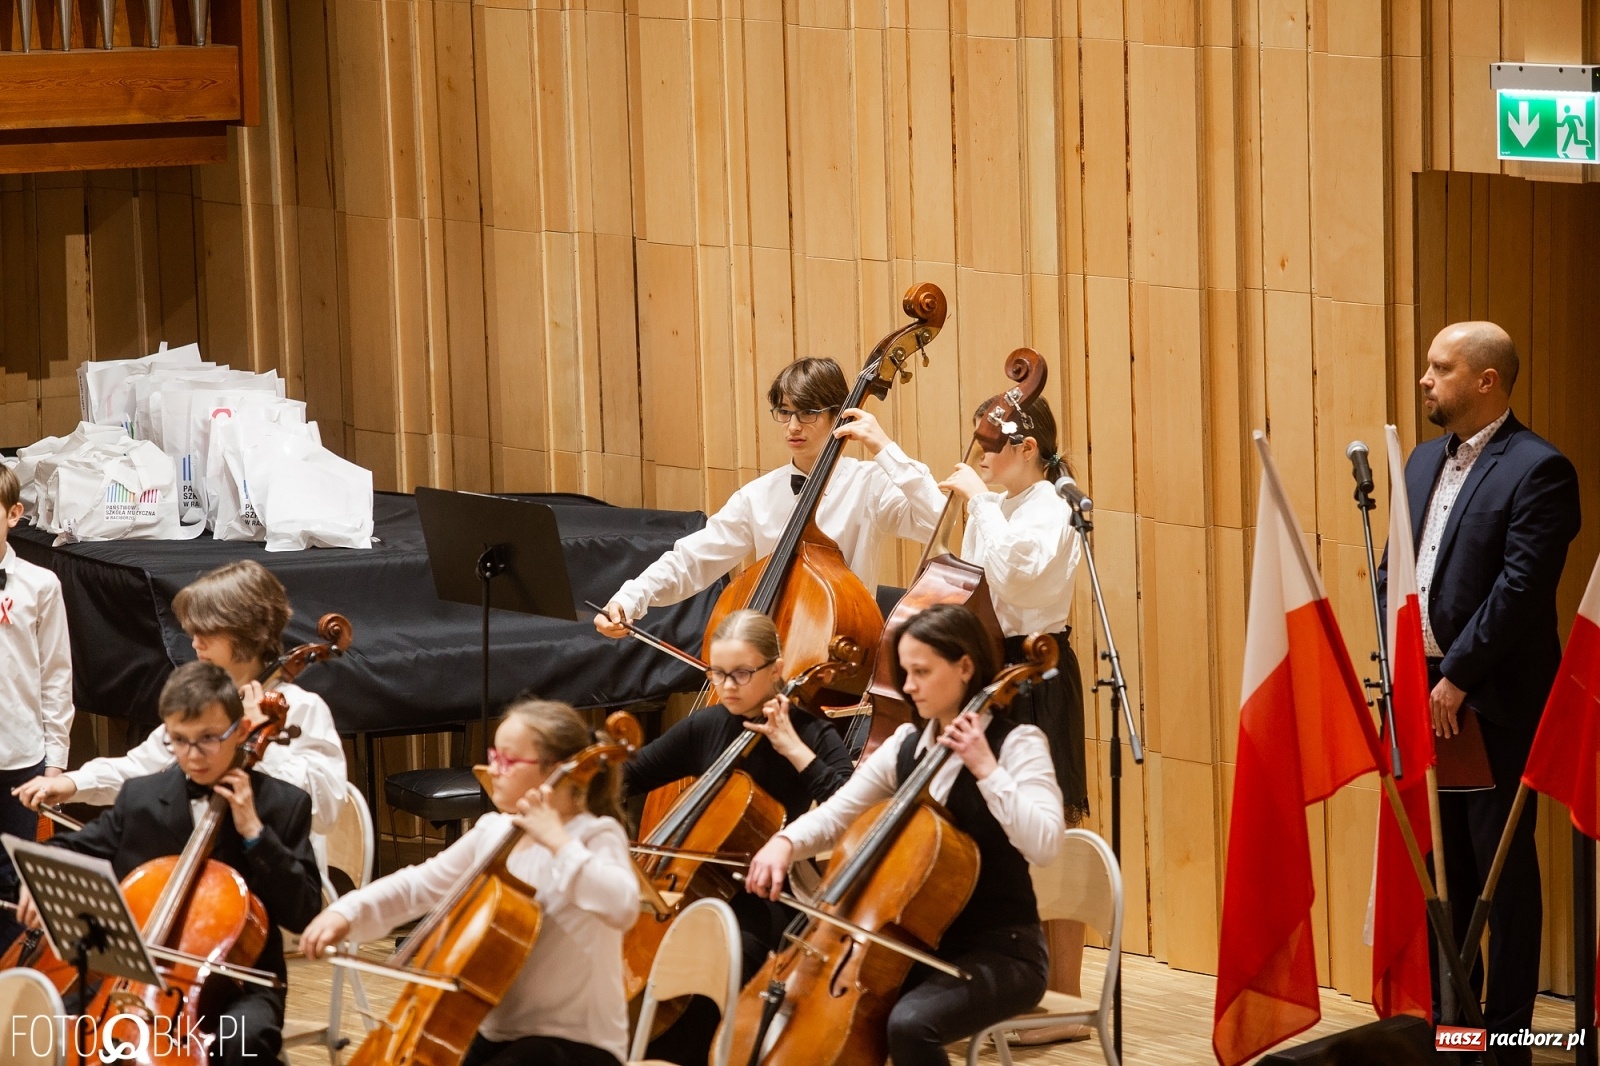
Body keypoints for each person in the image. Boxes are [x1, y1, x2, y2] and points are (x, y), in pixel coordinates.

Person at [1380, 320, 1581, 1062]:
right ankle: (1455, 1030)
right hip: (1423, 694)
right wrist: (1407, 667)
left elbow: (1521, 589)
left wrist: (1458, 675)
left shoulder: (1540, 469)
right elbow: (1395, 569)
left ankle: (1507, 1042)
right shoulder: (1419, 461)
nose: (1425, 379)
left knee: (1503, 876)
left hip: (1490, 701)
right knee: (1446, 876)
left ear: (1486, 380)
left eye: (1441, 368)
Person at [744, 604, 1064, 1066]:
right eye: (905, 673)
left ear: (965, 667)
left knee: (911, 1025)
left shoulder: (1018, 744)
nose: (909, 686)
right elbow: (838, 816)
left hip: (1002, 950)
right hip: (913, 946)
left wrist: (987, 769)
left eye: (921, 672)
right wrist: (784, 843)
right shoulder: (905, 746)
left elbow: (1046, 845)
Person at [299, 699, 638, 1066]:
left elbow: (622, 905)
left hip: (575, 1044)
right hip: (496, 1031)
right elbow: (418, 886)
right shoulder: (496, 831)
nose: (492, 770)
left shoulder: (594, 835)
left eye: (507, 760)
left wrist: (557, 840)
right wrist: (345, 913)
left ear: (554, 771)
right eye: (494, 755)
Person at [16, 661, 323, 1065]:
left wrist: (254, 832)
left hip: (237, 987)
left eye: (208, 739)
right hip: (135, 978)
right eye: (179, 740)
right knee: (44, 1024)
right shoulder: (142, 798)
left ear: (241, 730)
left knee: (242, 1041)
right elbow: (76, 846)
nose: (192, 755)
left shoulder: (282, 805)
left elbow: (305, 912)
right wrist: (42, 876)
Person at [626, 609, 855, 1063]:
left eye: (741, 673)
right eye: (717, 673)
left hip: (769, 893)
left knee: (725, 957)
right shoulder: (707, 725)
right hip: (691, 884)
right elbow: (629, 775)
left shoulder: (812, 732)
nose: (727, 686)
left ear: (775, 669)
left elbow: (854, 811)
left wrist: (794, 750)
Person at [14, 560, 347, 855]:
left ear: (249, 632)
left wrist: (259, 740)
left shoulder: (303, 709)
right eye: (194, 632)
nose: (195, 643)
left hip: (275, 870)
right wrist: (72, 784)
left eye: (208, 633)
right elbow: (144, 768)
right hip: (199, 866)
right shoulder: (206, 702)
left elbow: (326, 808)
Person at [594, 357, 944, 634]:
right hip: (770, 653)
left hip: (844, 650)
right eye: (785, 412)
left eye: (808, 413)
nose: (793, 426)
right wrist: (630, 598)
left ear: (839, 415)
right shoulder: (757, 496)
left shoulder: (869, 485)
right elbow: (693, 559)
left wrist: (884, 448)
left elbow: (936, 521)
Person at [939, 394, 1088, 1040]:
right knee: (991, 827)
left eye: (990, 446)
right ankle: (1004, 980)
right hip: (993, 667)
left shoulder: (1055, 508)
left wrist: (977, 503)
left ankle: (1067, 996)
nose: (981, 457)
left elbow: (1016, 575)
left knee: (1052, 826)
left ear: (1028, 449)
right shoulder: (996, 503)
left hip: (1038, 668)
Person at [0, 462, 73, 952]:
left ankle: (9, 981)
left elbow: (56, 676)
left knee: (13, 881)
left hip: (18, 756)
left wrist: (55, 762)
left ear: (13, 514)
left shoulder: (41, 585)